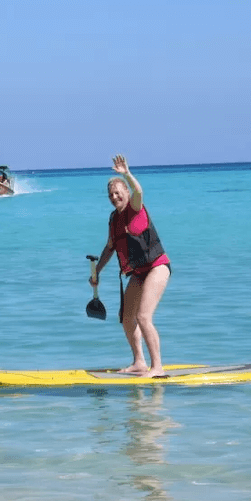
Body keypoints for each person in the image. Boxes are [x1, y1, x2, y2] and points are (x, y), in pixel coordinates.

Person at [90, 155, 171, 377]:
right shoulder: (113, 219)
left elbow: (139, 192)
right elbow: (110, 248)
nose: (114, 197)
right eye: (111, 195)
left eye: (118, 193)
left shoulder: (134, 207)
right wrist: (97, 271)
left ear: (126, 193)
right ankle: (139, 363)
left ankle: (157, 367)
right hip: (138, 272)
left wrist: (126, 174)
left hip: (156, 267)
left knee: (144, 316)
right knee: (127, 318)